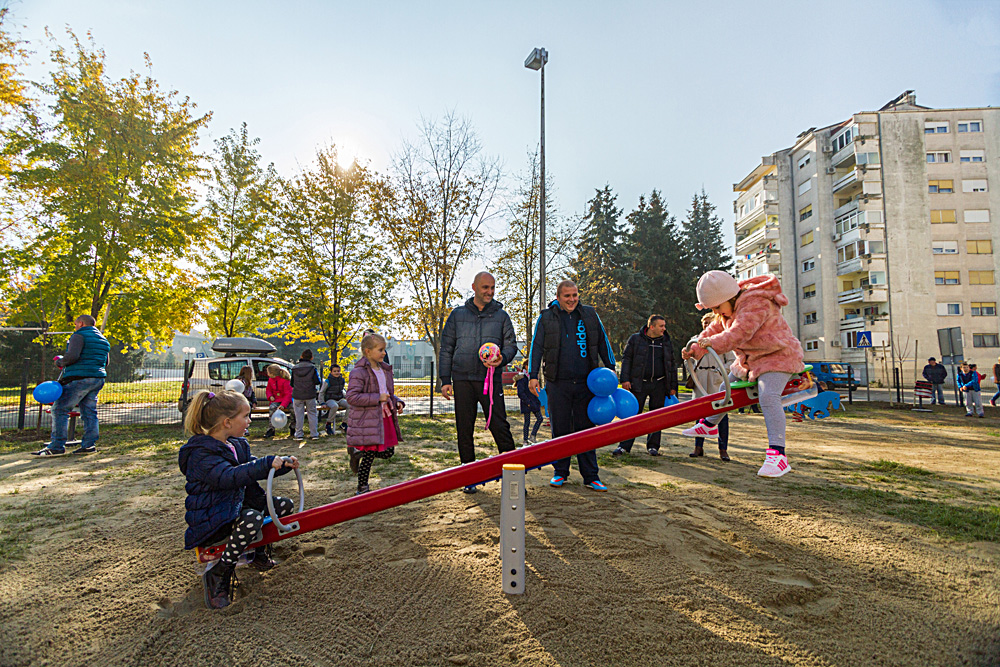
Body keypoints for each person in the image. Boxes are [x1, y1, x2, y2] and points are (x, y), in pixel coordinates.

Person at [178, 389, 299, 609]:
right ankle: (219, 573)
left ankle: (257, 553)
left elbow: (250, 468)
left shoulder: (235, 444)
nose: (249, 420)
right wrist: (264, 464)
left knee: (282, 506)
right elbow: (228, 477)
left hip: (233, 508)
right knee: (252, 518)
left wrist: (281, 465)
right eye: (245, 416)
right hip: (214, 519)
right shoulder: (200, 454)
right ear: (226, 422)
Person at [681, 271, 804, 478]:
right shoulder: (728, 311)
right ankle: (710, 425)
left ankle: (778, 455)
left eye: (718, 307)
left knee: (768, 396)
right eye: (712, 309)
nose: (717, 312)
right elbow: (711, 331)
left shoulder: (755, 303)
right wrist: (695, 348)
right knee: (724, 389)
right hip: (751, 362)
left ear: (730, 297)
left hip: (777, 356)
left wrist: (713, 344)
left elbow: (739, 333)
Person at [528, 280, 615, 492]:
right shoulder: (546, 317)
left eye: (575, 295)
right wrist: (532, 375)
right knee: (560, 429)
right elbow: (536, 347)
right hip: (558, 383)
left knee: (586, 430)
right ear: (558, 297)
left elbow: (603, 342)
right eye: (567, 296)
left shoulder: (589, 314)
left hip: (587, 383)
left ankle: (591, 476)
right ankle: (560, 472)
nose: (572, 300)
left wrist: (611, 369)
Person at [438, 271, 518, 493]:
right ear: (474, 287)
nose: (490, 292)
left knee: (500, 426)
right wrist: (445, 379)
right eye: (485, 288)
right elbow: (447, 348)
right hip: (462, 379)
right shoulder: (457, 315)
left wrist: (503, 358)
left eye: (492, 288)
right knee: (464, 428)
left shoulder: (502, 316)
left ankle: (514, 480)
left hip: (490, 381)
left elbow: (511, 345)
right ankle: (469, 477)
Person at [33, 314, 111, 457]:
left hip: (79, 378)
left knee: (59, 409)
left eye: (75, 324)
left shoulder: (78, 336)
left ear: (81, 323)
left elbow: (73, 356)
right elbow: (106, 363)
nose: (75, 327)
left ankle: (57, 445)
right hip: (97, 378)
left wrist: (60, 361)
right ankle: (89, 445)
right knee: (89, 412)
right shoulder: (103, 340)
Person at [612, 314, 678, 457]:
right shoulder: (635, 339)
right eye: (661, 326)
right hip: (638, 384)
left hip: (659, 384)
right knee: (633, 416)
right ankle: (624, 446)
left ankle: (653, 447)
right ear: (651, 327)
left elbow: (671, 364)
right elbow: (627, 359)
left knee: (656, 417)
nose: (664, 329)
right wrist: (625, 379)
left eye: (664, 326)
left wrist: (673, 386)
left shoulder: (665, 341)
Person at [346, 333, 405, 495]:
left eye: (384, 349)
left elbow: (386, 392)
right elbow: (351, 397)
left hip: (384, 417)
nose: (384, 353)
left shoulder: (383, 370)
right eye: (381, 350)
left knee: (388, 452)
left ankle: (358, 453)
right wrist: (377, 398)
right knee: (371, 453)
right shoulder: (359, 372)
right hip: (369, 419)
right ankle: (362, 487)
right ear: (368, 351)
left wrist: (397, 401)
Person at [687, 312, 735, 461]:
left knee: (721, 415)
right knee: (699, 415)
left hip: (717, 381)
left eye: (709, 322)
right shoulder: (695, 340)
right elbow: (688, 360)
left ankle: (723, 449)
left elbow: (731, 362)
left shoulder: (723, 340)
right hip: (700, 380)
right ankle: (698, 447)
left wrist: (720, 372)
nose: (707, 325)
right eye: (704, 323)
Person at [290, 349, 322, 440]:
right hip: (310, 394)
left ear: (301, 357)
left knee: (299, 415)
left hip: (297, 395)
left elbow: (292, 383)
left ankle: (299, 434)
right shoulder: (312, 368)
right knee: (312, 414)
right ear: (311, 358)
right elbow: (317, 381)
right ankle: (314, 434)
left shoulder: (294, 368)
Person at [514, 360, 543, 446]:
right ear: (526, 366)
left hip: (533, 402)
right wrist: (528, 402)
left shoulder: (531, 377)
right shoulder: (522, 378)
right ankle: (525, 440)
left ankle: (532, 436)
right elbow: (520, 392)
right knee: (527, 421)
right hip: (527, 403)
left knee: (540, 418)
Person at [264, 364, 294, 438]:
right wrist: (270, 396)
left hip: (287, 401)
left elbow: (288, 394)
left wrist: (283, 405)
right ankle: (271, 429)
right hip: (276, 400)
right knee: (272, 408)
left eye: (268, 372)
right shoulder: (270, 380)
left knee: (294, 409)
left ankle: (293, 427)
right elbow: (268, 389)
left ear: (272, 373)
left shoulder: (285, 381)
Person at [319, 363, 349, 435]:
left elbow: (342, 390)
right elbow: (322, 392)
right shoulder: (328, 381)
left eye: (338, 371)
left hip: (339, 398)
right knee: (335, 406)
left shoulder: (342, 380)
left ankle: (344, 423)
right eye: (335, 371)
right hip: (330, 399)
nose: (337, 373)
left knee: (350, 405)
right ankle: (328, 424)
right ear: (331, 372)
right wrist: (322, 402)